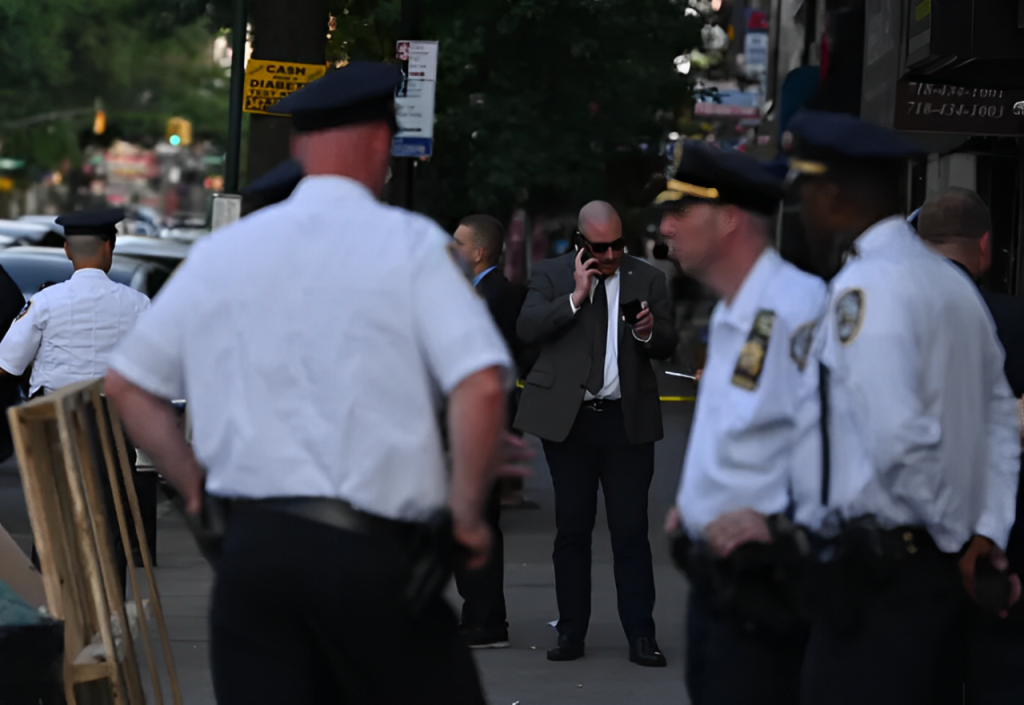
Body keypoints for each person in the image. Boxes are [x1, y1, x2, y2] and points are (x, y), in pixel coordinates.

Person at [104, 61, 511, 705]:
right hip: (371, 555)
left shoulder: (222, 254)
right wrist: (464, 515)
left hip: (256, 557)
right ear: (381, 143)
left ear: (300, 146)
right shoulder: (410, 245)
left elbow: (127, 384)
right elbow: (483, 384)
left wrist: (196, 491)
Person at [783, 109, 1021, 705]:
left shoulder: (869, 289)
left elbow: (900, 439)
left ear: (832, 195)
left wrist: (958, 535)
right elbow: (998, 419)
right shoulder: (949, 285)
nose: (805, 211)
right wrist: (986, 533)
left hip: (884, 576)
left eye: (807, 193)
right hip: (931, 571)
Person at [656, 140, 826, 704]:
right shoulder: (735, 310)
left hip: (770, 588)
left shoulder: (799, 308)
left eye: (682, 211)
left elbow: (841, 442)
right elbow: (747, 429)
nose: (667, 228)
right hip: (718, 587)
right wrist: (698, 500)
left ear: (729, 218)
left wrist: (780, 521)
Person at [515, 200, 677, 666]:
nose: (610, 256)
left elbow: (667, 343)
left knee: (630, 531)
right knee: (572, 529)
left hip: (627, 421)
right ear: (582, 242)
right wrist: (575, 296)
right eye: (600, 248)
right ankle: (570, 633)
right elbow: (527, 327)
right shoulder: (552, 274)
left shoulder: (648, 277)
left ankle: (641, 636)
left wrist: (647, 332)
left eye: (617, 246)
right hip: (571, 421)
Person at [0, 208, 150, 591]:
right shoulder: (138, 304)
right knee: (112, 522)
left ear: (67, 250)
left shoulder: (46, 303)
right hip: (113, 425)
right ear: (109, 248)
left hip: (58, 423)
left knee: (53, 521)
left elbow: (7, 364)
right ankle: (110, 615)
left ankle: (55, 616)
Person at [916, 188, 1024, 704]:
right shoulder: (1016, 318)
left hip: (914, 534)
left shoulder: (889, 317)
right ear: (985, 245)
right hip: (1003, 533)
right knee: (999, 674)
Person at [448, 214, 528, 649]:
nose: (451, 249)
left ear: (479, 252)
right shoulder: (481, 293)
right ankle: (481, 616)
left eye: (458, 243)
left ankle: (483, 621)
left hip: (484, 428)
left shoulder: (494, 296)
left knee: (475, 521)